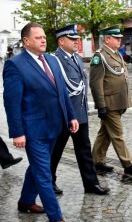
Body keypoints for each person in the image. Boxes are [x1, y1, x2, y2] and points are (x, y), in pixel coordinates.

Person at [3, 22, 79, 222]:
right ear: (26, 41)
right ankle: (57, 217)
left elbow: (62, 92)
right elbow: (12, 102)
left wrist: (71, 116)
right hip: (33, 130)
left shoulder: (52, 61)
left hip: (55, 126)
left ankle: (26, 201)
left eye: (44, 36)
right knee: (44, 173)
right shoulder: (15, 65)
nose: (43, 40)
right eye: (38, 37)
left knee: (38, 167)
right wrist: (17, 132)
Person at [50, 24, 109, 196]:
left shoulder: (76, 57)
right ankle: (50, 181)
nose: (76, 41)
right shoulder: (55, 60)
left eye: (77, 38)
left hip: (80, 112)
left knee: (84, 150)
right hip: (64, 114)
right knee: (56, 150)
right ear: (61, 41)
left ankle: (91, 184)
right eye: (72, 39)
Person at [89, 25, 132, 175]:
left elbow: (122, 78)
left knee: (105, 133)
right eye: (116, 38)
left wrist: (126, 101)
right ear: (107, 39)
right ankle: (128, 164)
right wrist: (101, 106)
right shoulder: (99, 56)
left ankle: (96, 161)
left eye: (120, 37)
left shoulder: (116, 54)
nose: (120, 40)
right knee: (117, 134)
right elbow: (95, 83)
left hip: (118, 102)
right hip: (109, 104)